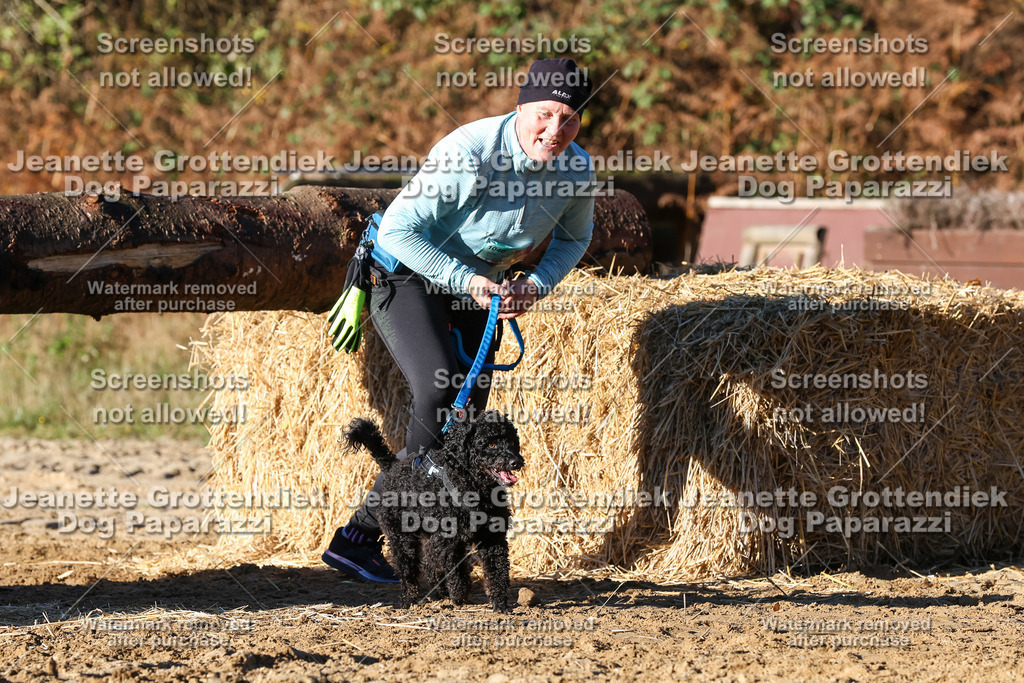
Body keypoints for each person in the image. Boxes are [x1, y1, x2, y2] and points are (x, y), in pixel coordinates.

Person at [322, 57, 596, 582]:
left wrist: (535, 285)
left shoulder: (577, 170)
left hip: (480, 284)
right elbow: (399, 230)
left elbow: (574, 238)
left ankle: (441, 550)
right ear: (521, 106)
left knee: (468, 424)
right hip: (405, 270)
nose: (555, 131)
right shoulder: (469, 152)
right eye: (544, 114)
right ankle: (360, 536)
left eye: (569, 120)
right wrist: (467, 279)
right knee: (438, 389)